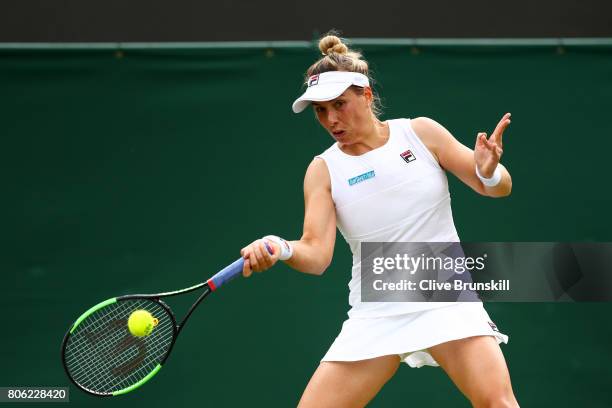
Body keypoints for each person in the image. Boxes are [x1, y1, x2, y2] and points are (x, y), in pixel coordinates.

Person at [240, 34, 519, 408]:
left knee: (497, 403)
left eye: (339, 104)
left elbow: (496, 188)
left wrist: (489, 172)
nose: (331, 119)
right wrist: (282, 248)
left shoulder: (420, 133)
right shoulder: (323, 170)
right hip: (377, 310)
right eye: (320, 111)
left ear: (366, 96)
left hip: (446, 298)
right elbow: (316, 254)